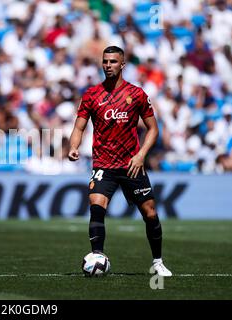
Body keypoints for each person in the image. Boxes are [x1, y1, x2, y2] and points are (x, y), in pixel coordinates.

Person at [68, 46, 172, 277]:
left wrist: (141, 154)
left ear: (122, 65)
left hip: (131, 164)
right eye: (105, 61)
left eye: (113, 61)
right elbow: (79, 126)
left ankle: (157, 262)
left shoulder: (136, 94)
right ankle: (97, 256)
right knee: (96, 206)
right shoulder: (92, 95)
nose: (108, 65)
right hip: (103, 164)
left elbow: (153, 129)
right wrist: (74, 147)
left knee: (151, 213)